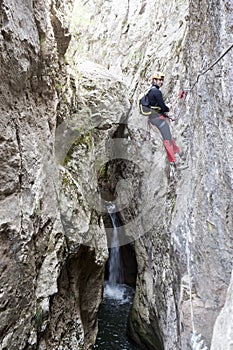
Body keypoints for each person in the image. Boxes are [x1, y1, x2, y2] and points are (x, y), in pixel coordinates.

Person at [139, 71, 180, 166]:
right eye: (159, 80)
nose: (161, 82)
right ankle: (173, 161)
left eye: (162, 80)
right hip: (158, 119)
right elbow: (163, 107)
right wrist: (168, 107)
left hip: (154, 118)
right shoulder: (156, 92)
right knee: (167, 138)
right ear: (154, 80)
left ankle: (176, 151)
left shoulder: (150, 90)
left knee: (168, 135)